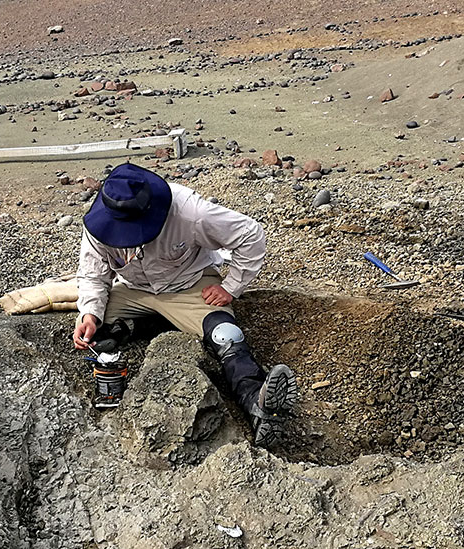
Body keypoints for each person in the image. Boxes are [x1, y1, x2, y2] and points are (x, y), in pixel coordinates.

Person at [72, 162, 298, 446]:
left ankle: (257, 403)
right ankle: (151, 323)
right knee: (95, 331)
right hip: (136, 290)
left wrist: (231, 287)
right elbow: (93, 274)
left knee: (225, 336)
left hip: (190, 284)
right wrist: (90, 313)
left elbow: (250, 234)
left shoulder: (191, 214)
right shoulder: (101, 222)